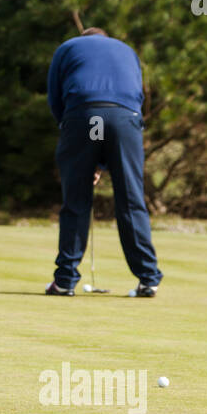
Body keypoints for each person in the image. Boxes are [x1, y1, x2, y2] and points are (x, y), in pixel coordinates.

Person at [46, 27, 162, 296]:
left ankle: (64, 281)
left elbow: (55, 96)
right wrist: (102, 162)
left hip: (83, 114)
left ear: (85, 37)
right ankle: (148, 279)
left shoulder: (68, 46)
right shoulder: (127, 50)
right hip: (125, 117)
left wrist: (79, 151)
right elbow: (139, 95)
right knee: (131, 200)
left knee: (75, 201)